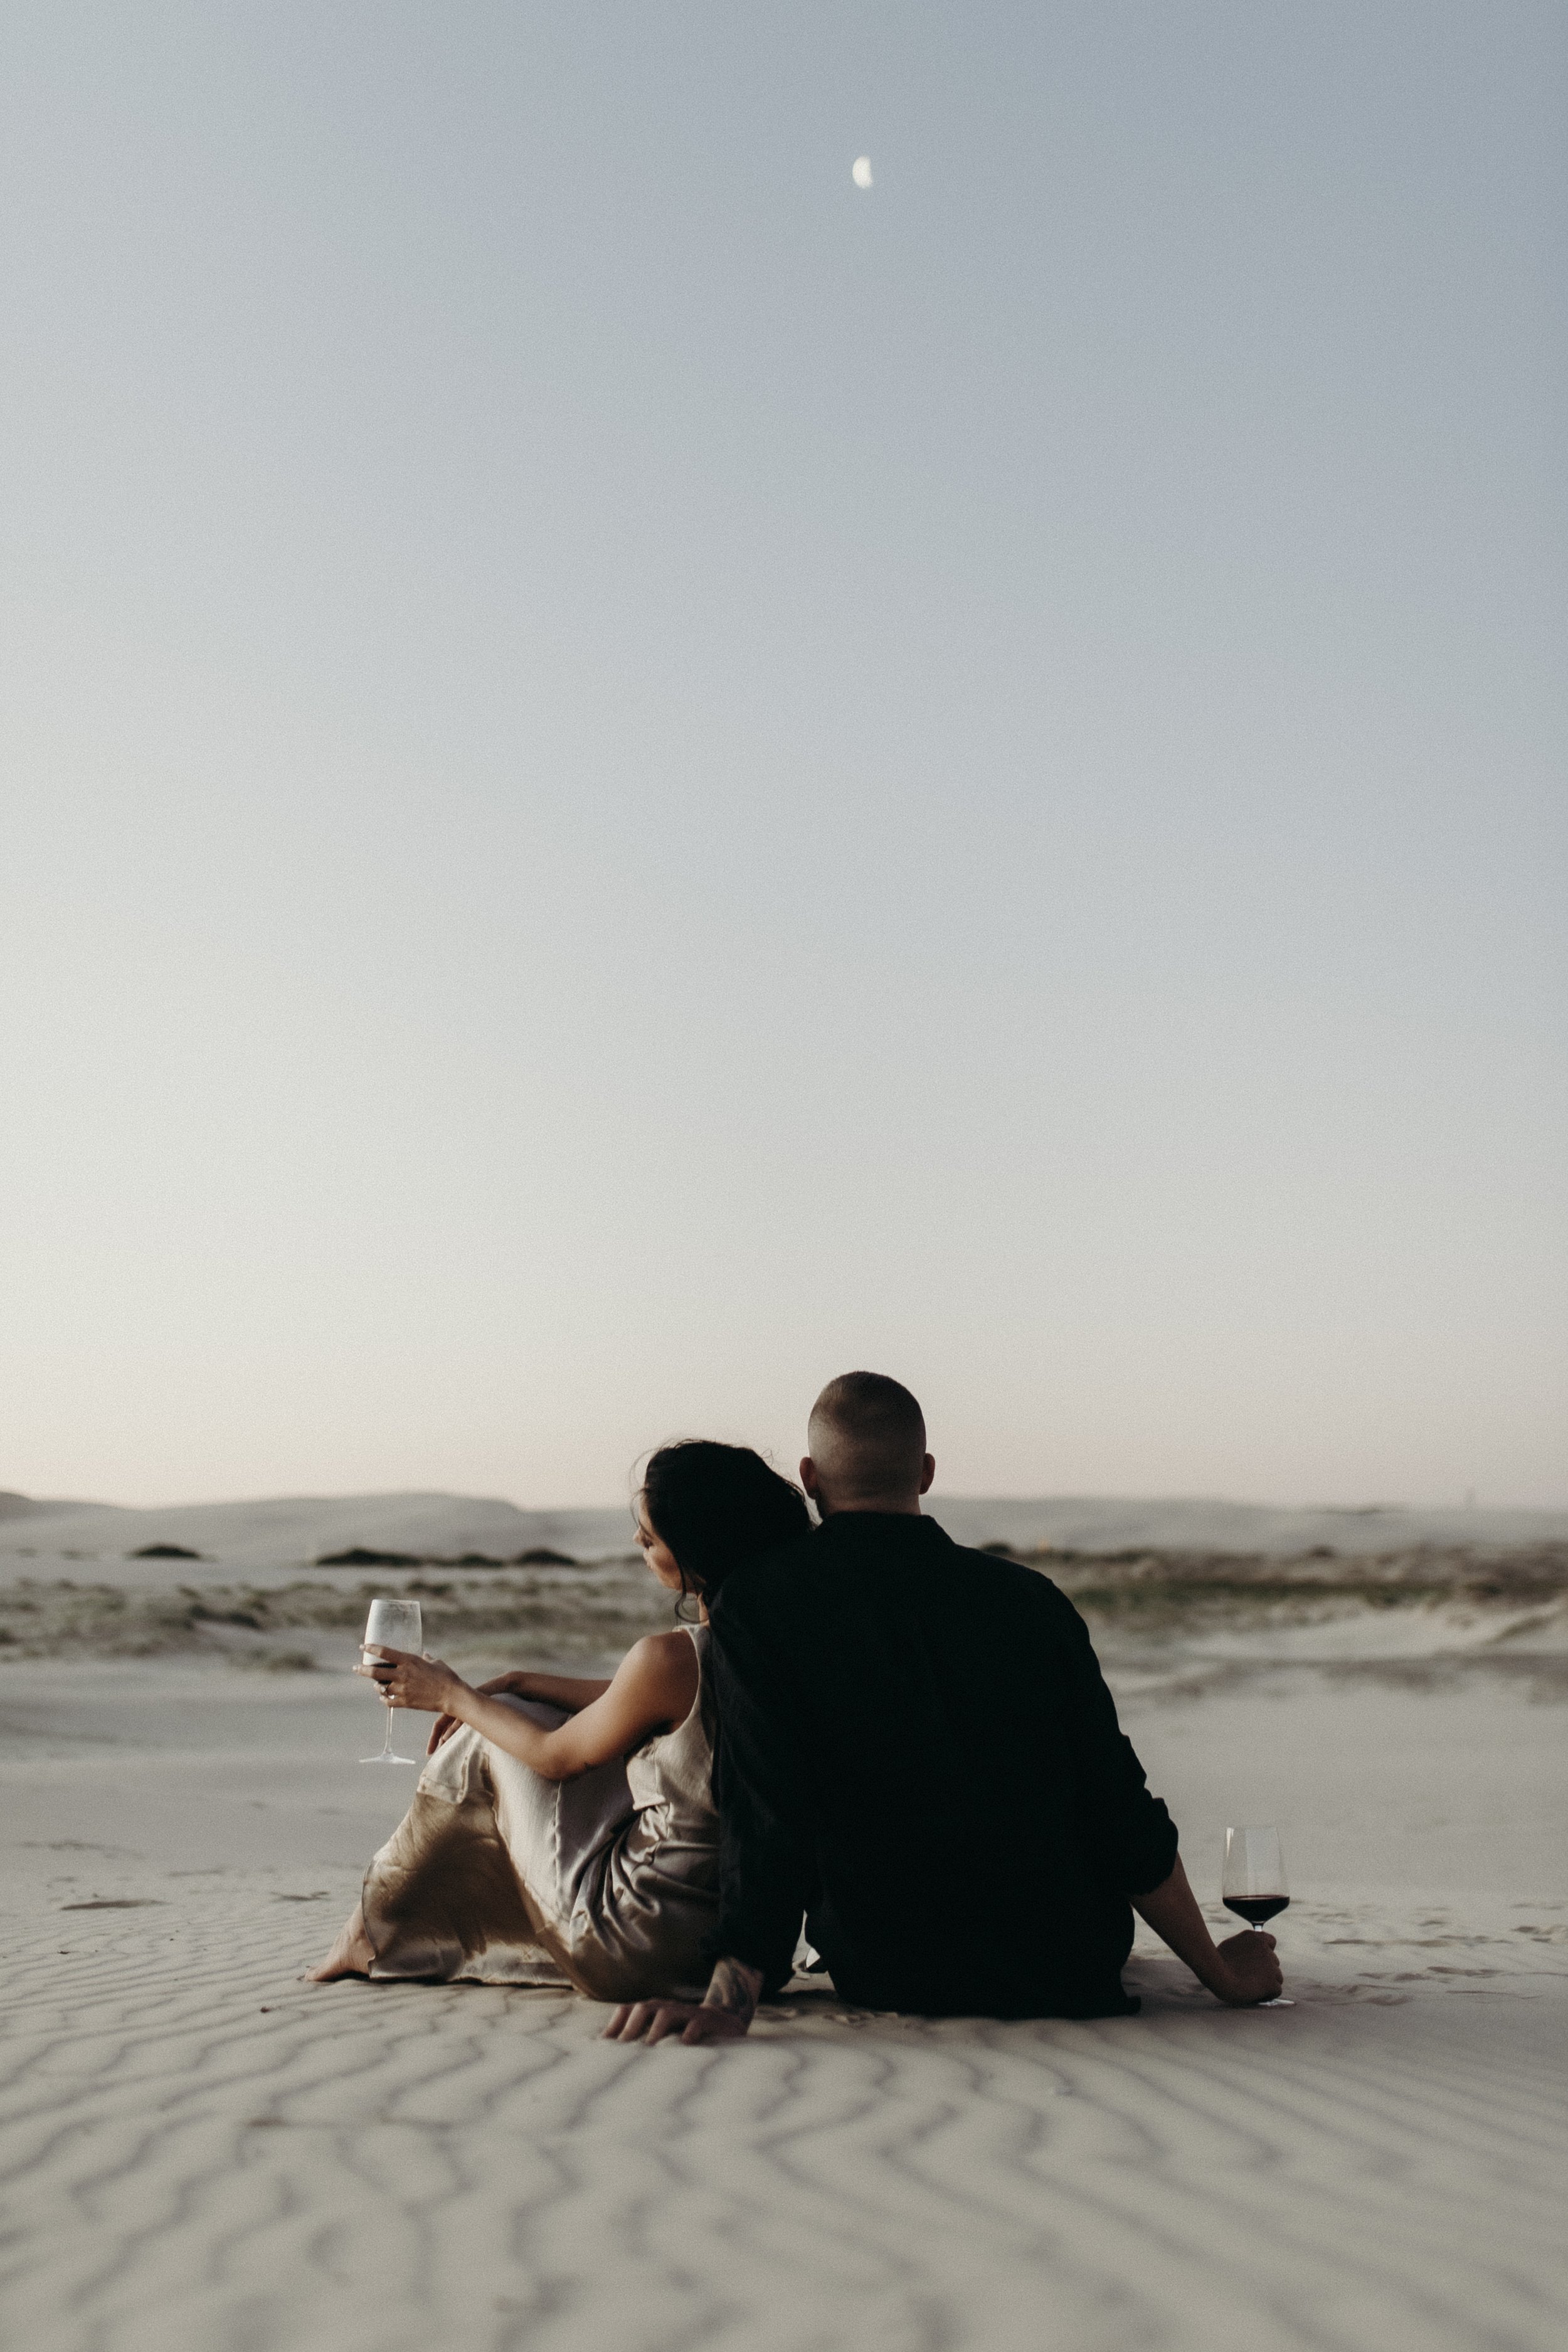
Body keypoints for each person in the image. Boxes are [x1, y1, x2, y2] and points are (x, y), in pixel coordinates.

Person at [607, 1372, 1285, 2043]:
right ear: (926, 1473)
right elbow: (1117, 1805)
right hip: (1069, 1961)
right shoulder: (1032, 1601)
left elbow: (766, 1809)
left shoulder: (759, 1603)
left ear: (810, 1477)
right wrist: (1221, 1974)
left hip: (896, 1967)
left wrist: (730, 2003)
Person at [308, 1441, 810, 2002]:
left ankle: (369, 1932)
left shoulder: (670, 1659)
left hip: (630, 1945)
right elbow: (638, 1703)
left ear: (697, 1550)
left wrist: (452, 1696)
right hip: (744, 1954)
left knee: (487, 1739)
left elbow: (556, 1757)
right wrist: (524, 1681)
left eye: (649, 1538)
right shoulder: (787, 1651)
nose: (636, 1543)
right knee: (515, 1709)